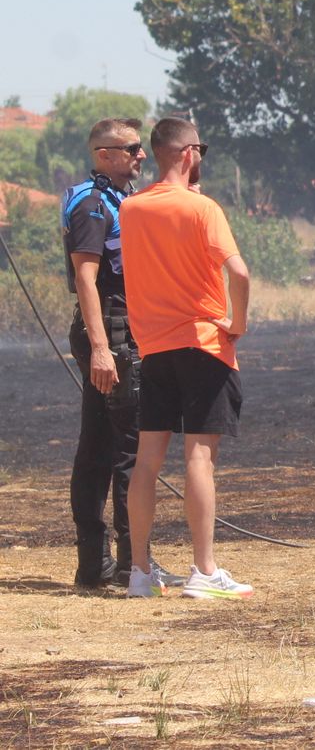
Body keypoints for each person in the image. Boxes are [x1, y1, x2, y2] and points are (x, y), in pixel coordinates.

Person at [120, 118, 253, 598]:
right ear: (188, 152)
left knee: (147, 461)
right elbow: (239, 273)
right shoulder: (202, 208)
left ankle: (139, 572)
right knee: (199, 457)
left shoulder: (131, 209)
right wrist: (237, 324)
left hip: (153, 349)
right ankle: (204, 571)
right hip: (202, 344)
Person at [59, 118, 181, 591]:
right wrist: (101, 350)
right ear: (104, 153)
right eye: (132, 148)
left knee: (98, 445)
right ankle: (134, 565)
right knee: (129, 447)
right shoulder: (92, 204)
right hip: (111, 331)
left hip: (123, 328)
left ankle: (96, 567)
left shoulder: (121, 197)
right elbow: (86, 279)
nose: (141, 155)